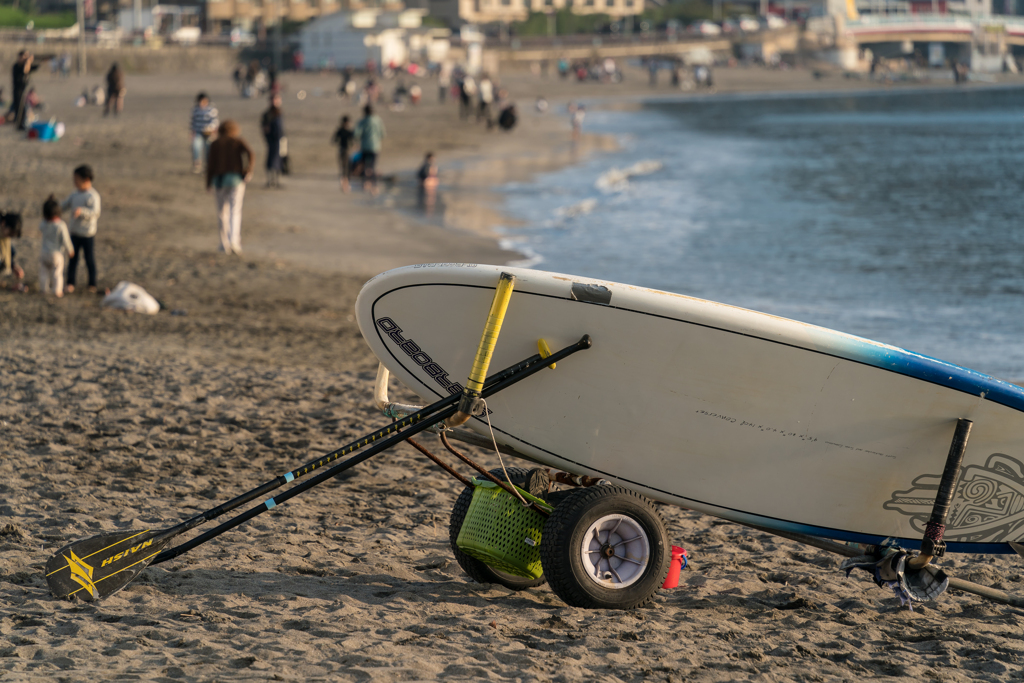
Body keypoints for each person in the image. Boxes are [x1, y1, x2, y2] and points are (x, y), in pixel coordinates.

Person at [206, 120, 254, 255]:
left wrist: (208, 183)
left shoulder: (215, 143)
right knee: (235, 211)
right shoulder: (237, 141)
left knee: (222, 213)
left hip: (219, 181)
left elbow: (210, 165)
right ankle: (234, 241)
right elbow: (251, 153)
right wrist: (248, 171)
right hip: (235, 180)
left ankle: (223, 243)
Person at [62, 165, 102, 294]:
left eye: (76, 179)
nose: (74, 182)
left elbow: (95, 213)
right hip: (74, 232)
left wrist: (82, 212)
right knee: (73, 259)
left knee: (89, 259)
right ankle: (70, 282)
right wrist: (54, 209)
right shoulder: (74, 194)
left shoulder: (93, 196)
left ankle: (92, 284)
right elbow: (65, 205)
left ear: (86, 180)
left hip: (87, 234)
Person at [38, 195, 74, 298]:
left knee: (44, 272)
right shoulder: (60, 225)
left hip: (44, 253)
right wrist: (70, 250)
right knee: (57, 273)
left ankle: (43, 289)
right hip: (56, 254)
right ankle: (57, 291)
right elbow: (66, 239)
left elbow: (40, 227)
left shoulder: (44, 224)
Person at [354, 104, 386, 194]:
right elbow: (383, 134)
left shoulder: (362, 121)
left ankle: (365, 183)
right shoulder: (378, 120)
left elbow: (356, 134)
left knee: (365, 165)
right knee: (373, 166)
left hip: (365, 146)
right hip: (375, 146)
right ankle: (374, 186)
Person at [190, 92, 219, 174]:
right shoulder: (195, 110)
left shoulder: (211, 110)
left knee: (208, 150)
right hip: (198, 132)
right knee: (196, 147)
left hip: (208, 133)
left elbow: (215, 122)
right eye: (201, 101)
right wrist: (192, 132)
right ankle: (197, 165)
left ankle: (208, 166)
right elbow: (192, 122)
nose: (203, 103)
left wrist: (211, 129)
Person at [8, 50, 38, 130]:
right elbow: (25, 71)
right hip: (18, 90)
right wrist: (28, 62)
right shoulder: (16, 66)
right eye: (25, 56)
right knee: (19, 108)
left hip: (23, 90)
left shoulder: (24, 65)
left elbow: (32, 68)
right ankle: (19, 125)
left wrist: (31, 61)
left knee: (24, 108)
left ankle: (22, 124)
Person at [260, 94, 285, 188]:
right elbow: (264, 127)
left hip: (280, 140)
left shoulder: (279, 112)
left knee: (279, 160)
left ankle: (277, 181)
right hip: (271, 140)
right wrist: (267, 137)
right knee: (271, 160)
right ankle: (270, 181)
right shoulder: (268, 114)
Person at [331, 115, 355, 192]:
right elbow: (352, 141)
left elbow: (334, 140)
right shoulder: (348, 131)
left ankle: (344, 183)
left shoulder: (340, 130)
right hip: (346, 150)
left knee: (343, 167)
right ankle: (345, 184)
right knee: (346, 167)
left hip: (341, 150)